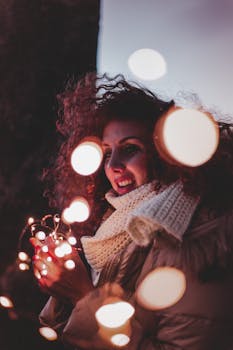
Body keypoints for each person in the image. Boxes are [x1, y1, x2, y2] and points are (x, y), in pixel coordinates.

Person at [31, 72, 233, 349]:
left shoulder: (197, 238)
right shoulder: (113, 227)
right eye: (105, 152)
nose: (113, 165)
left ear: (165, 154)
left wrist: (82, 296)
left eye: (129, 149)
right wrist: (63, 287)